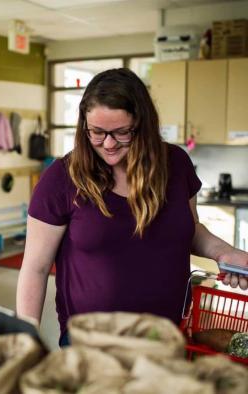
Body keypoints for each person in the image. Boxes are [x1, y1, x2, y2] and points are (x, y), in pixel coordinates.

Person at [16, 68, 248, 347]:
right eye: (97, 133)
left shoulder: (176, 164)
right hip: (90, 344)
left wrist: (225, 252)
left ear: (142, 124)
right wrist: (24, 345)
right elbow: (35, 268)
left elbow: (189, 228)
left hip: (166, 339)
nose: (109, 144)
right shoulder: (62, 178)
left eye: (121, 132)